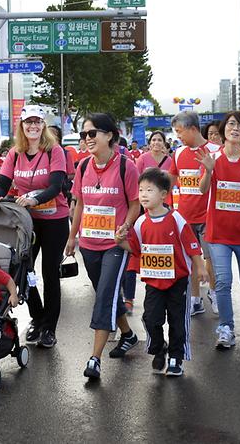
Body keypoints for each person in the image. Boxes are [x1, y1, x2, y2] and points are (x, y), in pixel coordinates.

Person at [65, 113, 141, 381]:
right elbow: (80, 204)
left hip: (115, 245)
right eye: (84, 135)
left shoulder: (126, 167)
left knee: (104, 296)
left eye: (92, 133)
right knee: (106, 294)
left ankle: (94, 359)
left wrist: (126, 227)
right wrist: (72, 237)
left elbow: (135, 203)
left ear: (109, 135)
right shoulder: (83, 166)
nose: (87, 139)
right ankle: (128, 335)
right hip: (88, 245)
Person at [0, 104, 69, 348]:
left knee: (50, 273)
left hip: (54, 220)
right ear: (21, 126)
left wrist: (35, 199)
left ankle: (50, 328)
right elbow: (2, 182)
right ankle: (37, 317)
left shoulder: (54, 151)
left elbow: (55, 186)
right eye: (28, 122)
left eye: (37, 122)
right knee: (26, 270)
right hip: (27, 222)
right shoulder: (15, 153)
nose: (33, 126)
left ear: (43, 125)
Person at [195, 111, 240, 349]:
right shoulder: (212, 157)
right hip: (218, 234)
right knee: (223, 282)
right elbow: (202, 190)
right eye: (232, 124)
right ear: (224, 129)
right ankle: (226, 328)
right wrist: (207, 171)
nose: (235, 129)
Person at [125, 167, 207, 376]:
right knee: (151, 319)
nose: (143, 194)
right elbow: (136, 249)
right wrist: (120, 241)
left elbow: (192, 245)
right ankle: (159, 347)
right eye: (141, 190)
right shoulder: (140, 222)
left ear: (163, 194)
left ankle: (176, 358)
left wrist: (199, 267)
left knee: (178, 321)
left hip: (178, 281)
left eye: (149, 190)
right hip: (153, 281)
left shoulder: (177, 219)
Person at [170, 111, 221, 316]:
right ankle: (195, 299)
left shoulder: (216, 151)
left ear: (193, 128)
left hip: (209, 217)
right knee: (190, 260)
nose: (178, 136)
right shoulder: (179, 153)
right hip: (185, 217)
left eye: (180, 131)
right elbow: (172, 180)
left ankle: (215, 294)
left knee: (211, 260)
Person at [125, 130, 174, 314]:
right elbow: (136, 184)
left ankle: (166, 290)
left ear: (164, 143)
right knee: (134, 253)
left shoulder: (170, 161)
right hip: (142, 212)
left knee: (162, 252)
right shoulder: (142, 159)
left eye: (159, 140)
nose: (156, 143)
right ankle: (128, 298)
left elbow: (172, 186)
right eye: (153, 140)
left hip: (163, 212)